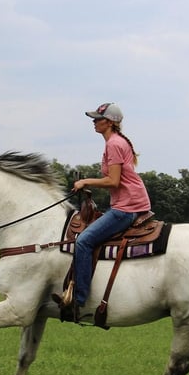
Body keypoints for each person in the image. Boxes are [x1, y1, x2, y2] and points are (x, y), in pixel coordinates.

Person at [55, 102, 152, 321]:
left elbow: (114, 181)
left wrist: (85, 182)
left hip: (127, 207)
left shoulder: (114, 144)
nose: (93, 122)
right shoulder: (115, 142)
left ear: (109, 122)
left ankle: (79, 300)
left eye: (97, 119)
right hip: (129, 203)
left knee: (84, 241)